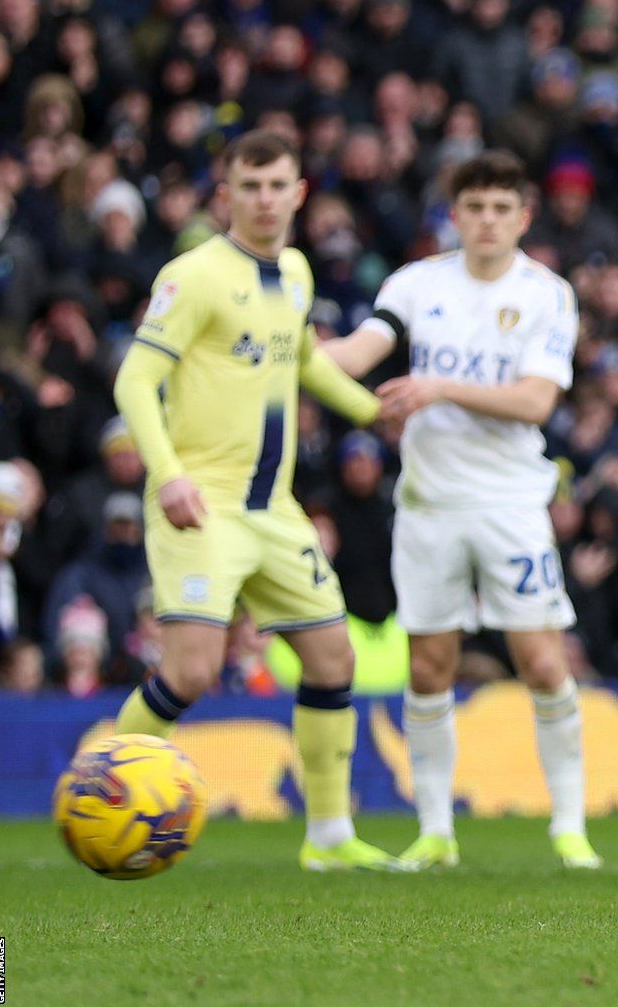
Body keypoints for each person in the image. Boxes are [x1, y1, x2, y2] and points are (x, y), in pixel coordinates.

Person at [109, 129, 408, 872]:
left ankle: (330, 837)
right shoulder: (195, 275)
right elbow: (133, 382)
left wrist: (372, 412)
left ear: (300, 192)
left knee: (333, 656)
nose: (265, 200)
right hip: (201, 500)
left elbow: (304, 360)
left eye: (279, 185)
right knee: (189, 672)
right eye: (250, 186)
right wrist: (168, 472)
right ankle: (104, 804)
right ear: (226, 194)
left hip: (272, 508)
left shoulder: (299, 274)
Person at [318, 150, 599, 871]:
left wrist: (438, 388)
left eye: (502, 208)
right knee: (429, 666)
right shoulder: (417, 284)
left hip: (510, 501)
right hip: (428, 503)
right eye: (474, 208)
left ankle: (570, 826)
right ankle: (436, 832)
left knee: (539, 659)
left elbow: (537, 401)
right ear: (455, 215)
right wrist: (295, 347)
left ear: (524, 217)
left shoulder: (547, 294)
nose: (487, 221)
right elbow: (357, 351)